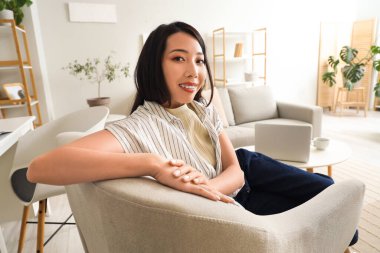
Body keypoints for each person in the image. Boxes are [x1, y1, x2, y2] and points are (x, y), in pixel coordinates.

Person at [27, 21, 357, 245]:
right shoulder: (141, 125)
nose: (194, 72)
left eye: (199, 61)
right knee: (332, 212)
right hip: (237, 197)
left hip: (245, 172)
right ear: (155, 65)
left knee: (330, 191)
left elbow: (236, 169)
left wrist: (209, 191)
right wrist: (151, 164)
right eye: (178, 58)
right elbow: (40, 168)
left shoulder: (203, 109)